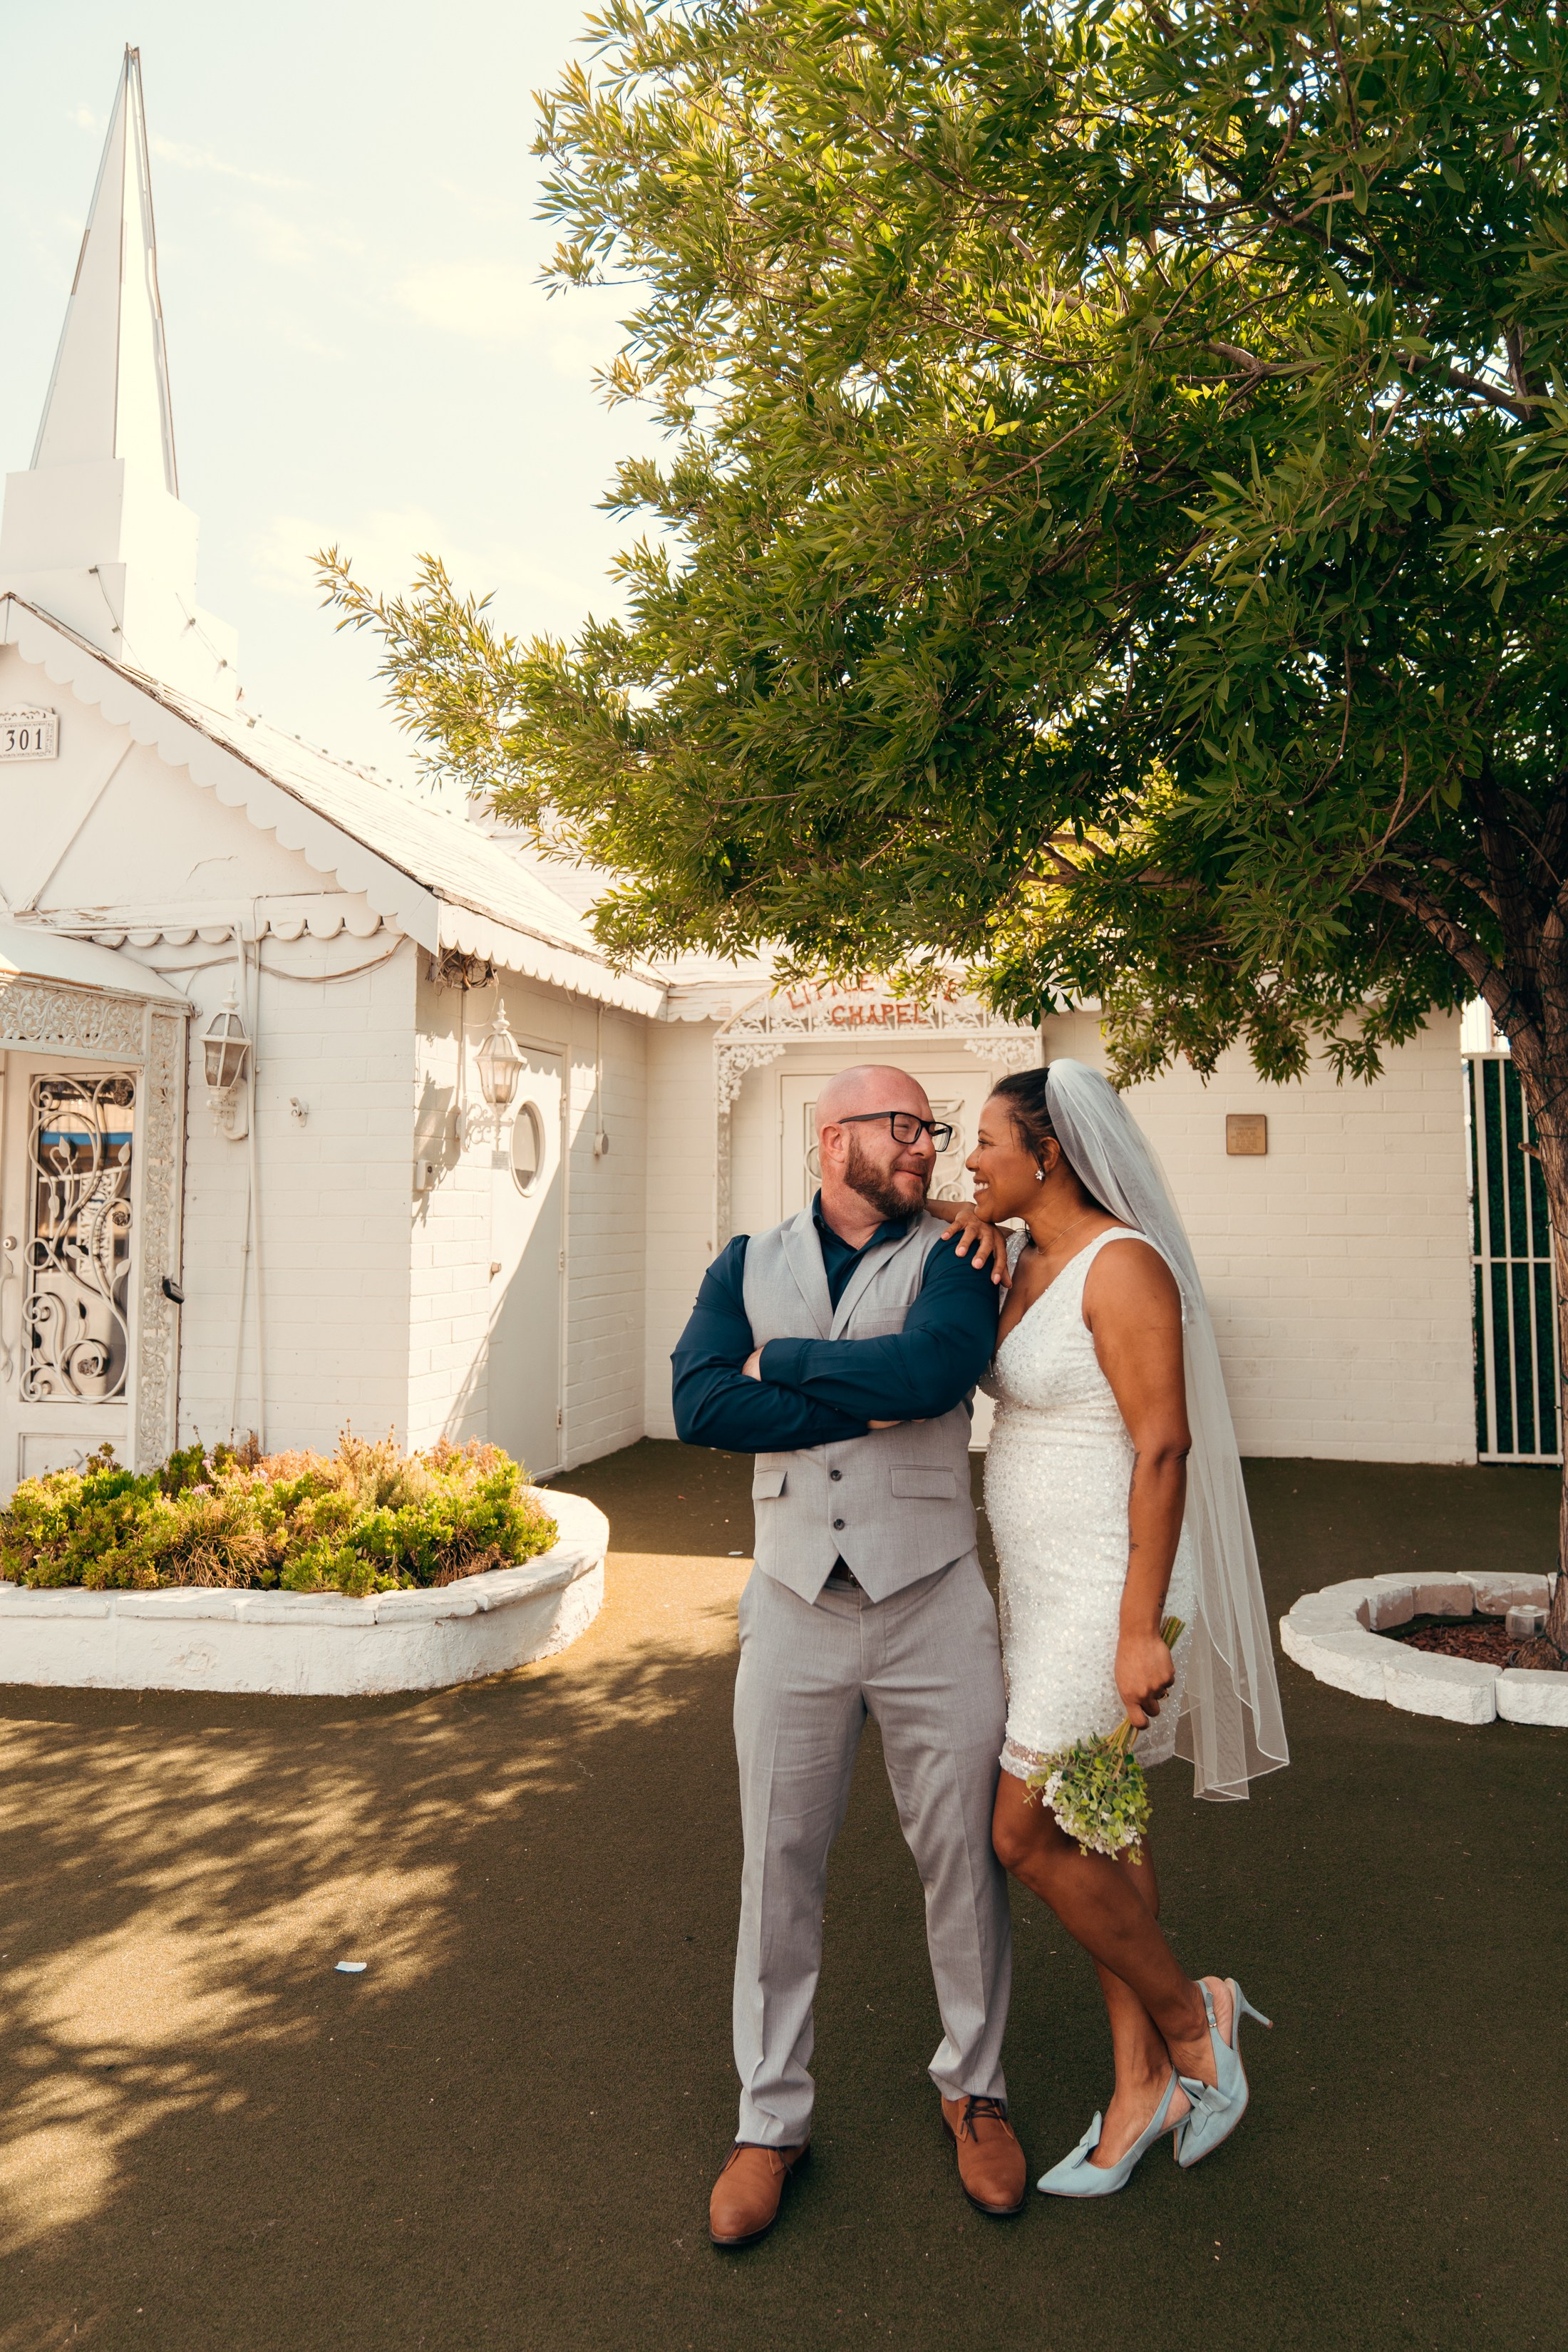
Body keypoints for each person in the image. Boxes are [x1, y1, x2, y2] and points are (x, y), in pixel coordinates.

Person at [672, 1063, 1025, 2248]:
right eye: (904, 1126)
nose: (927, 1145)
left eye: (933, 1128)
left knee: (963, 1860)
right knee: (777, 1863)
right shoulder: (742, 1263)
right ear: (835, 1141)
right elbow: (699, 1406)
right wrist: (860, 1400)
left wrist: (780, 1365)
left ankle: (976, 2089)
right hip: (791, 1603)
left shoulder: (958, 1257)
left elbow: (933, 1376)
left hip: (932, 1598)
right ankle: (769, 2121)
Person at [934, 1063, 1289, 2194]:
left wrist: (1140, 1631)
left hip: (1105, 1591)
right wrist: (949, 1212)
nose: (969, 1160)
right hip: (1037, 1588)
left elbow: (1163, 1448)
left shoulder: (1123, 1264)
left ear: (1049, 1154)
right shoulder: (1019, 1253)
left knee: (1025, 1835)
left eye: (987, 1142)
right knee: (1102, 1828)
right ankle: (1139, 2088)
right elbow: (930, 1211)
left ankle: (1195, 2024)